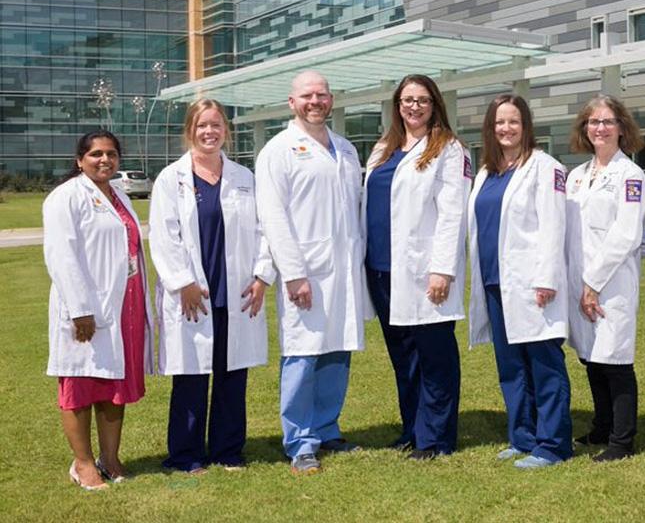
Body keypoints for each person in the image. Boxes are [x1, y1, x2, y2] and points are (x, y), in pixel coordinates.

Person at [149, 98, 274, 473]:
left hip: (235, 292)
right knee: (191, 378)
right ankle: (185, 456)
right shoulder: (172, 179)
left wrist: (262, 276)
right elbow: (163, 235)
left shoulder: (244, 178)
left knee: (232, 375)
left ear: (226, 131)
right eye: (202, 125)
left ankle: (228, 450)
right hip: (192, 295)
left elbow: (264, 230)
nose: (209, 132)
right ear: (190, 130)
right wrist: (182, 283)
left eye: (216, 125)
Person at [255, 71, 367, 474]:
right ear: (292, 102)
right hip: (307, 272)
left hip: (344, 270)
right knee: (302, 355)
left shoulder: (346, 149)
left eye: (321, 94)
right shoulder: (278, 150)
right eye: (307, 95)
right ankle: (300, 442)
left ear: (331, 100)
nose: (315, 101)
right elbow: (273, 217)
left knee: (336, 351)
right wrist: (293, 273)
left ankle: (327, 428)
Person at [363, 74, 471, 459]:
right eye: (407, 100)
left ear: (434, 104)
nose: (414, 106)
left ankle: (436, 437)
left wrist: (442, 268)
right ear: (397, 105)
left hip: (424, 271)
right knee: (404, 356)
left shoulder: (450, 149)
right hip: (381, 270)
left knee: (434, 355)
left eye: (422, 100)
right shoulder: (383, 148)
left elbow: (452, 214)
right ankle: (412, 428)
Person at [43, 130, 154, 491]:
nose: (104, 159)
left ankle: (111, 458)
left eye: (111, 154)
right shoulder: (66, 197)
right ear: (80, 160)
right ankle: (83, 463)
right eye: (95, 154)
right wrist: (80, 310)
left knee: (112, 385)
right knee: (79, 384)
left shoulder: (119, 195)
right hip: (87, 310)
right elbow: (61, 255)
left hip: (123, 306)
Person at [467, 94, 573, 470]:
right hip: (496, 282)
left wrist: (546, 278)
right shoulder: (487, 171)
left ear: (526, 125)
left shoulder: (545, 167)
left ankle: (554, 444)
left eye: (513, 122)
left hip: (532, 282)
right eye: (499, 122)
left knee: (543, 363)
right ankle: (522, 436)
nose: (506, 129)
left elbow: (554, 225)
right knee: (511, 366)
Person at [564, 95, 645, 462]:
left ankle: (621, 440)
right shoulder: (577, 176)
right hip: (579, 281)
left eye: (608, 121)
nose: (600, 128)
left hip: (610, 283)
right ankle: (601, 426)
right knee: (591, 357)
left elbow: (626, 235)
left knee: (614, 361)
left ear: (622, 128)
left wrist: (594, 282)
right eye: (593, 122)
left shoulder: (630, 176)